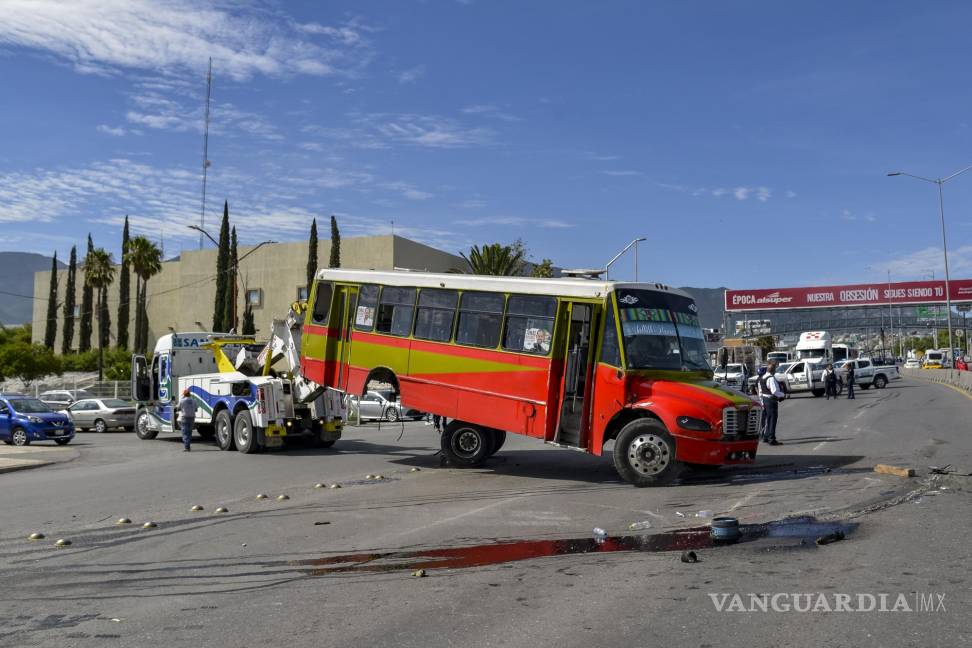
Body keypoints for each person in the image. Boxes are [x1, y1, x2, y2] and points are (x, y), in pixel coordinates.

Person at [757, 360, 785, 446]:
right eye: (775, 368)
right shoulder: (771, 378)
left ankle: (765, 436)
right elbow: (774, 391)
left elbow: (761, 391)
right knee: (772, 419)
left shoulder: (762, 378)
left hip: (765, 400)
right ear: (773, 370)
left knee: (767, 419)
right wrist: (783, 395)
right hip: (771, 400)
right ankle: (771, 438)